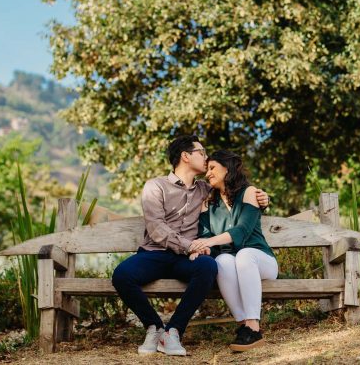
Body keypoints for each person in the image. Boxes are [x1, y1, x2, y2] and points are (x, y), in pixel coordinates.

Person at [111, 135, 269, 356]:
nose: (206, 158)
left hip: (188, 259)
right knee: (121, 275)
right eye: (202, 153)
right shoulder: (156, 186)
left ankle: (174, 331)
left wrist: (264, 198)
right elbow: (156, 228)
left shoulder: (206, 190)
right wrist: (189, 246)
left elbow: (234, 191)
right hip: (156, 253)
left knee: (208, 267)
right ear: (185, 156)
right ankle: (155, 328)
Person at [189, 150, 278, 352]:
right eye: (207, 169)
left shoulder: (248, 192)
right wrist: (201, 249)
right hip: (235, 263)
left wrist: (208, 242)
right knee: (222, 261)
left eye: (212, 168)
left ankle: (254, 328)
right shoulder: (208, 203)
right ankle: (243, 326)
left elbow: (242, 230)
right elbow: (204, 235)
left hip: (261, 261)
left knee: (244, 255)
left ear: (227, 168)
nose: (208, 173)